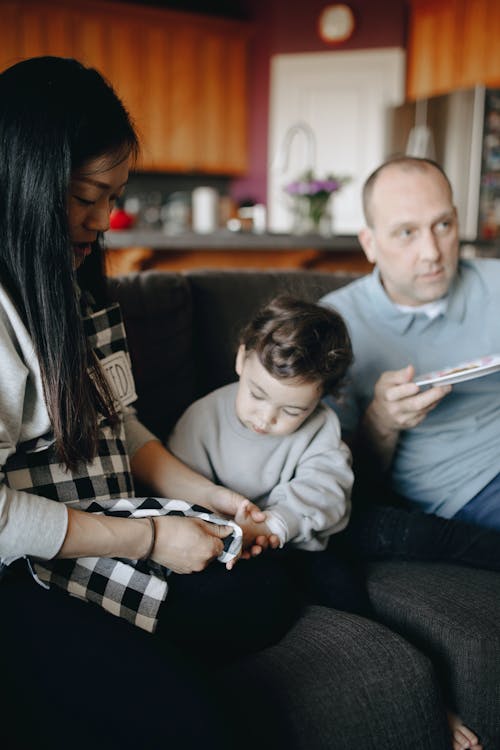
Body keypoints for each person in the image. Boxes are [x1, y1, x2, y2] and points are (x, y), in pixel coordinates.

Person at [0, 58, 457, 750]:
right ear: (22, 182)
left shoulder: (70, 290)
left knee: (262, 585)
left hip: (103, 522)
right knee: (190, 718)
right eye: (87, 195)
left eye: (114, 196)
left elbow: (115, 427)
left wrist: (212, 499)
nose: (103, 220)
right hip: (26, 563)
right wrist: (152, 538)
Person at [320, 155, 500, 750]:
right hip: (468, 490)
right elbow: (341, 480)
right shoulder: (335, 326)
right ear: (370, 243)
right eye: (406, 232)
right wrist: (380, 420)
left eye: (444, 225)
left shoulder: (495, 284)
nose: (432, 250)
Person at [168, 294, 370, 614]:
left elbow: (326, 491)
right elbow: (176, 492)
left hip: (298, 542)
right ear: (240, 359)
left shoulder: (322, 426)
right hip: (225, 548)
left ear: (320, 399)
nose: (265, 418)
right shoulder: (201, 419)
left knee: (345, 590)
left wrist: (271, 526)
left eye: (291, 410)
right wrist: (233, 532)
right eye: (257, 394)